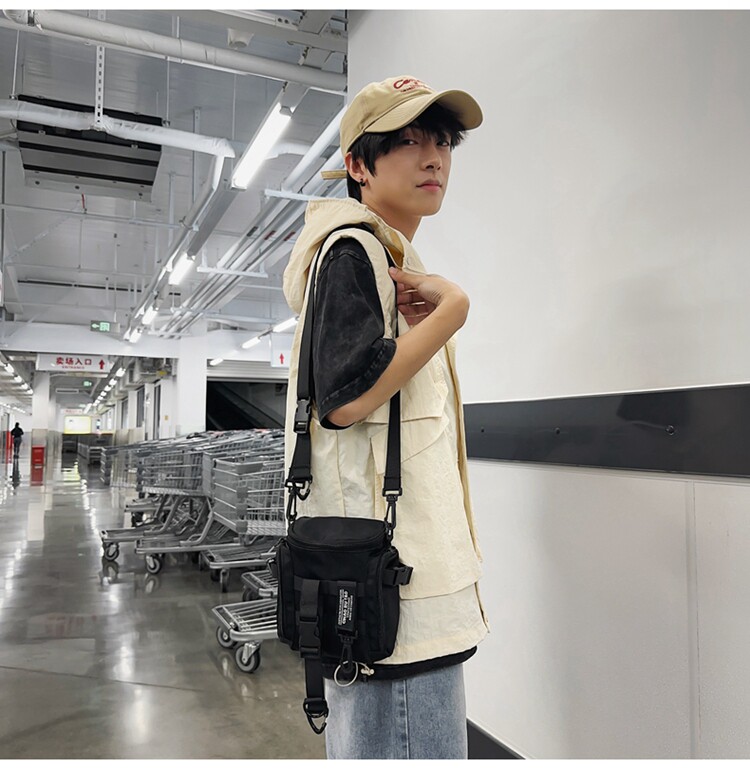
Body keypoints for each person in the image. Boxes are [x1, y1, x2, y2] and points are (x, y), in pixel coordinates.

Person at [283, 76, 489, 760]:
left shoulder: (385, 258)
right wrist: (454, 310)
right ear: (358, 165)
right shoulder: (353, 250)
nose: (433, 158)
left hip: (392, 584)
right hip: (389, 595)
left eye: (443, 142)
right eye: (408, 142)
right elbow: (346, 398)